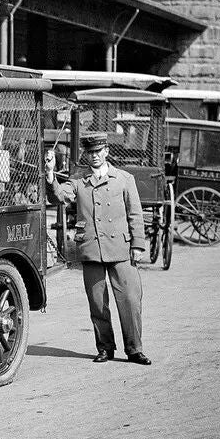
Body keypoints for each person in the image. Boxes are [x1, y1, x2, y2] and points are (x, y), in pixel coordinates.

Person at [45, 132, 151, 365]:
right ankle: (105, 348)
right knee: (97, 303)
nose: (94, 156)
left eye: (98, 151)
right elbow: (59, 197)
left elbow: (135, 214)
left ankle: (134, 349)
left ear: (106, 152)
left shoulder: (124, 179)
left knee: (130, 300)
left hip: (121, 248)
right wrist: (51, 173)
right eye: (90, 152)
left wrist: (138, 245)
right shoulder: (78, 181)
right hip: (92, 248)